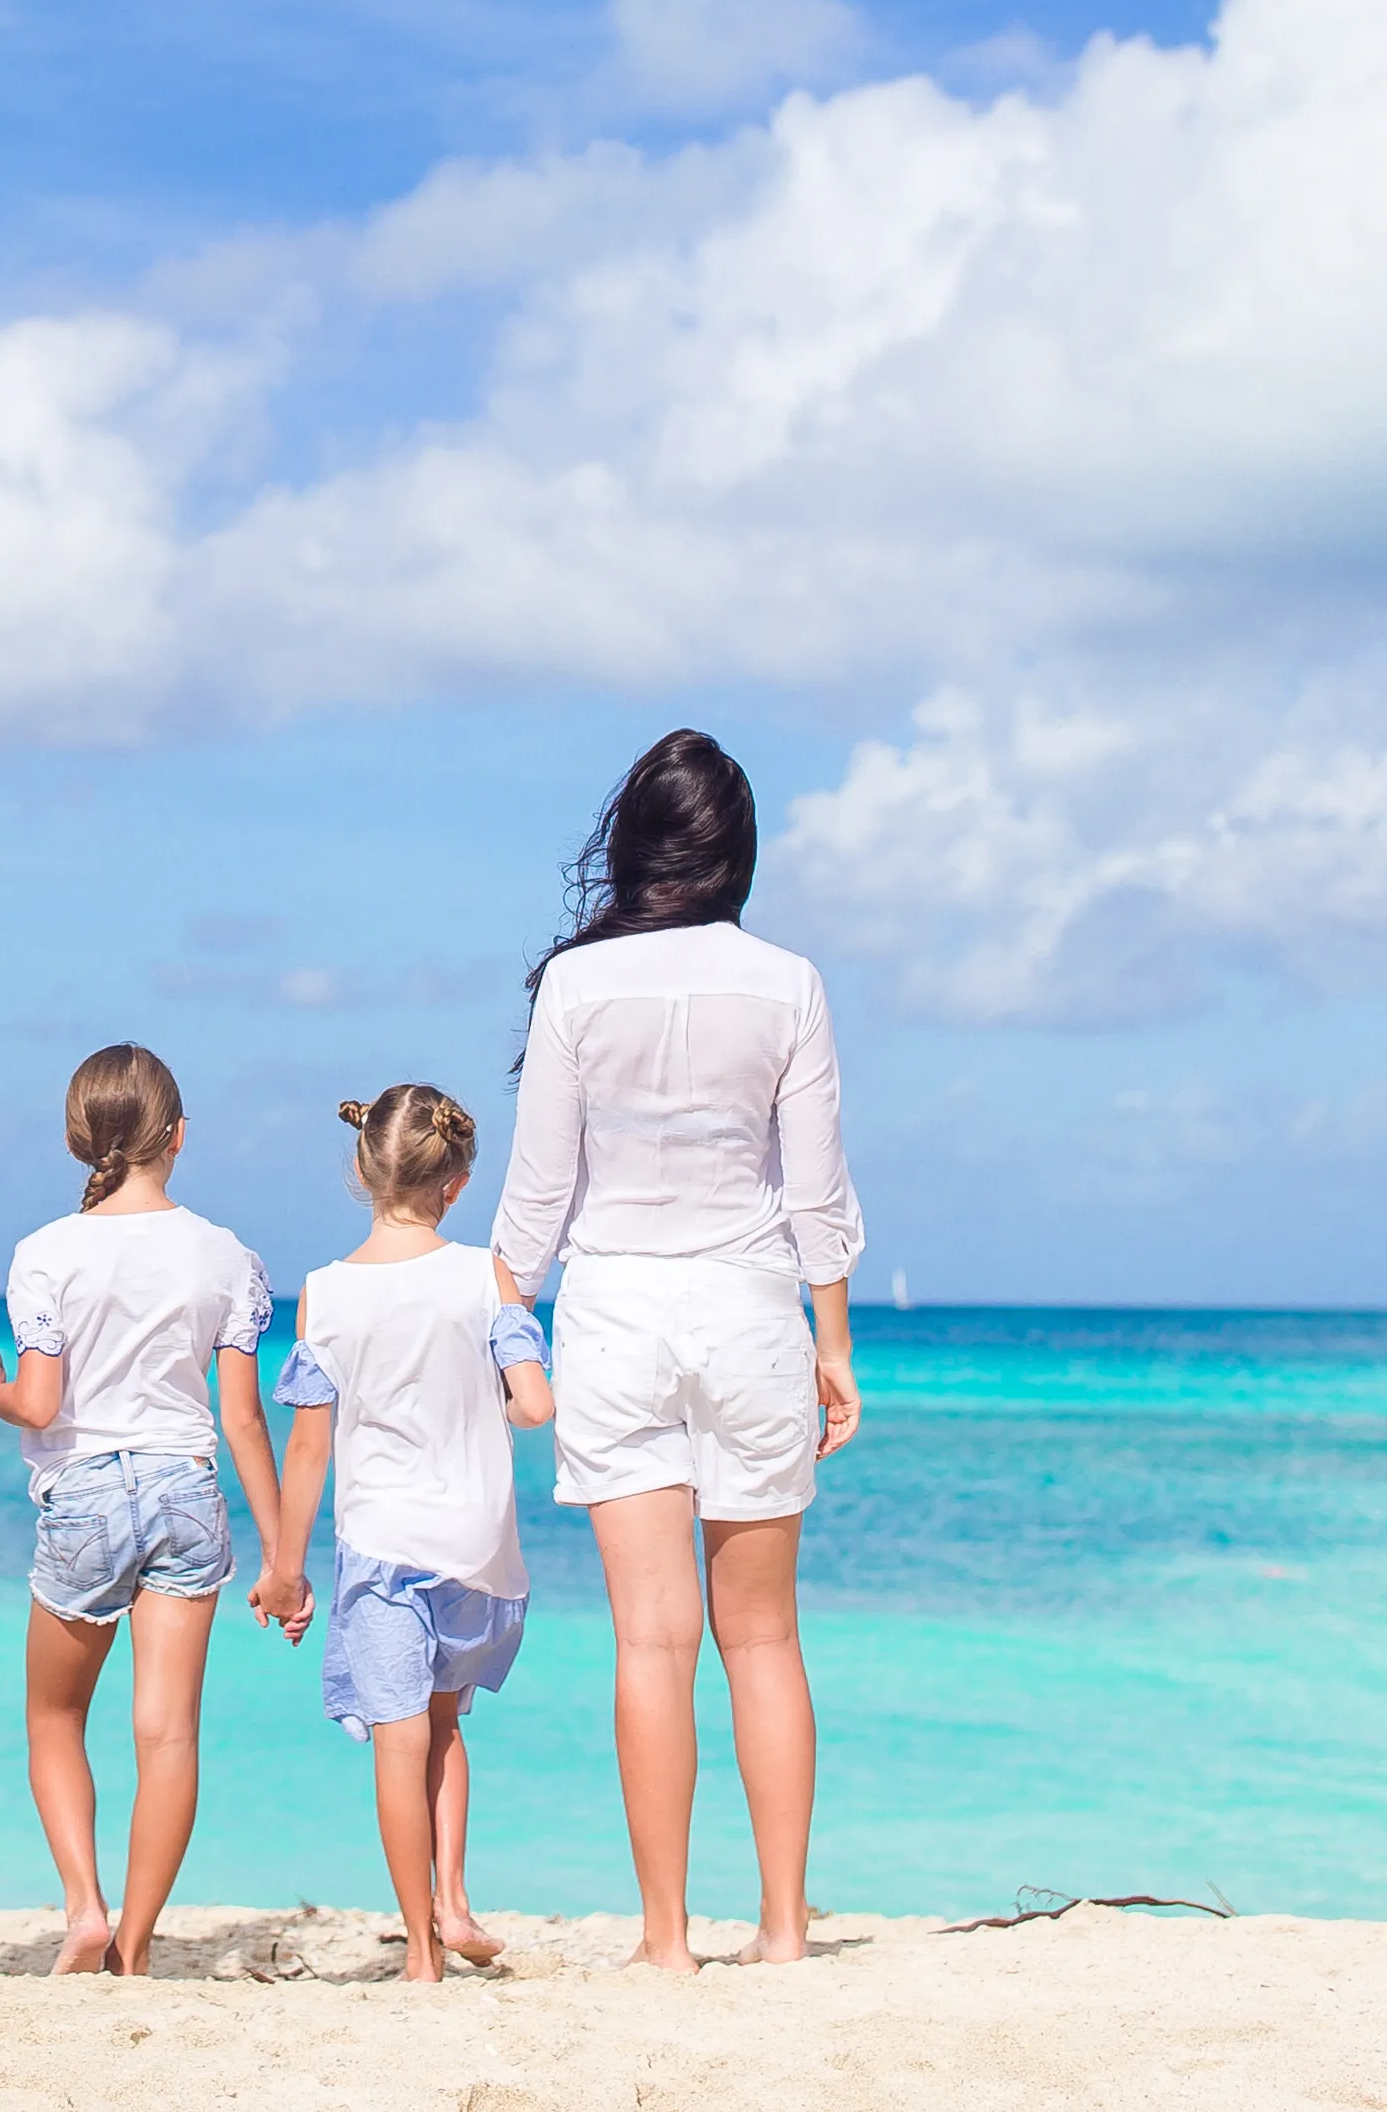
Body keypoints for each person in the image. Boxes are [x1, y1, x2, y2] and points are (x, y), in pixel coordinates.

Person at [488, 727, 864, 1971]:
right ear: (736, 850)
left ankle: (664, 1938)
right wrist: (834, 1342)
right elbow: (815, 1191)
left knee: (653, 1640)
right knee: (763, 1636)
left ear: (635, 845)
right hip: (751, 1309)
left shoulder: (577, 987)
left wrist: (504, 1328)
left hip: (616, 1317)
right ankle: (785, 1928)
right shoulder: (789, 982)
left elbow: (537, 1197)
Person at [0, 1043, 284, 1975]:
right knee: (167, 1733)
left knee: (55, 1717)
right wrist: (282, 1554)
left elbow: (40, 1404)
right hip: (186, 1489)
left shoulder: (47, 1253)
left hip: (85, 1496)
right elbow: (242, 1419)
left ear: (75, 1138)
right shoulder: (228, 1255)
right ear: (178, 1135)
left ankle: (84, 1905)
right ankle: (134, 1943)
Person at [249, 1082, 553, 1985]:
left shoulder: (327, 1293)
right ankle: (455, 1899)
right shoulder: (485, 1273)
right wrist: (497, 1398)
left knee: (398, 1736)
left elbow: (310, 1449)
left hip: (382, 1540)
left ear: (362, 1167)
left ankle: (422, 1948)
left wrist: (284, 1570)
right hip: (476, 1542)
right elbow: (535, 1404)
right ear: (456, 1184)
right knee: (445, 1721)